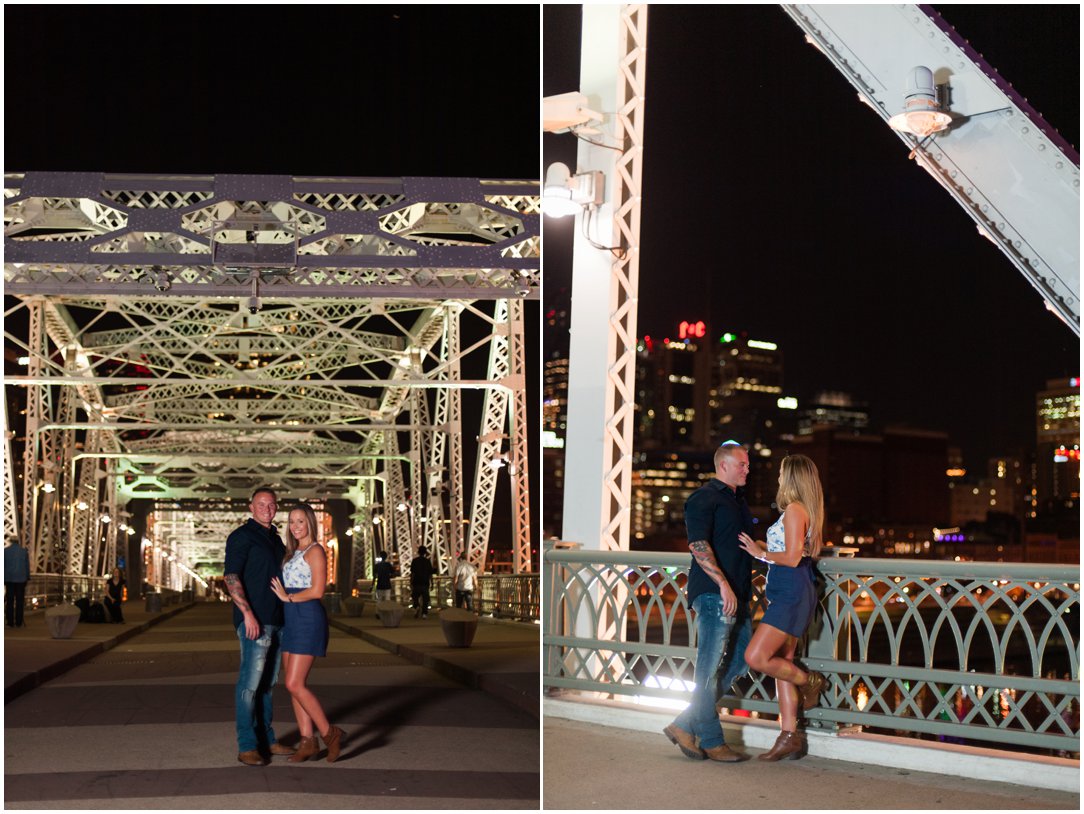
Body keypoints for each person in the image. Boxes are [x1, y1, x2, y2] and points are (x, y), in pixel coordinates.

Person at [663, 442, 755, 763]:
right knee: (709, 668)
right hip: (716, 594)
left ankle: (684, 723)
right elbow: (698, 544)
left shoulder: (737, 502)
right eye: (742, 464)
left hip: (740, 595)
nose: (747, 469)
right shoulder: (705, 498)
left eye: (747, 464)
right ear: (724, 465)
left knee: (743, 659)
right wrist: (722, 584)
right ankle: (713, 740)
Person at [738, 453, 827, 761]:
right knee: (781, 663)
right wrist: (760, 547)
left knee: (757, 656)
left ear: (790, 478)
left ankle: (809, 680)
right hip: (790, 588)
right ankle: (790, 736)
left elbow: (790, 558)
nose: (777, 477)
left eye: (780, 473)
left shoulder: (793, 510)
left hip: (791, 591)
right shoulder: (800, 511)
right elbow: (789, 551)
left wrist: (759, 554)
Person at [223, 487, 295, 767]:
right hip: (255, 620)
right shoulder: (242, 536)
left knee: (267, 685)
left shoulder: (276, 540)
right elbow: (231, 576)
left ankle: (267, 739)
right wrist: (247, 615)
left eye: (272, 504)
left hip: (278, 620)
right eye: (261, 504)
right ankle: (247, 745)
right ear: (250, 507)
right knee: (250, 685)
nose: (267, 508)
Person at [269, 503, 344, 763]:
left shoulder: (315, 551)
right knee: (293, 686)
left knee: (294, 683)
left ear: (310, 522)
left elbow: (317, 591)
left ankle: (330, 733)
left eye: (301, 521)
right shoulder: (292, 552)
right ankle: (307, 741)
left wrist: (286, 598)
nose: (296, 526)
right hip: (291, 619)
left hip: (307, 617)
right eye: (291, 522)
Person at [4, 540, 31, 628]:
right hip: (21, 579)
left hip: (9, 579)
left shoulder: (5, 551)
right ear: (18, 542)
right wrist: (27, 576)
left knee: (9, 601)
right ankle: (19, 622)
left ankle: (10, 622)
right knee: (20, 601)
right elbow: (27, 566)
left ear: (11, 542)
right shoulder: (23, 551)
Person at [410, 545, 434, 618]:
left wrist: (411, 582)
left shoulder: (415, 561)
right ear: (425, 553)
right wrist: (432, 583)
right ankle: (424, 613)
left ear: (418, 552)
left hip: (416, 582)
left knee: (415, 597)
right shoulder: (427, 561)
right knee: (425, 599)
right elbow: (430, 574)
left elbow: (412, 573)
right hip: (425, 583)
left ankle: (416, 606)